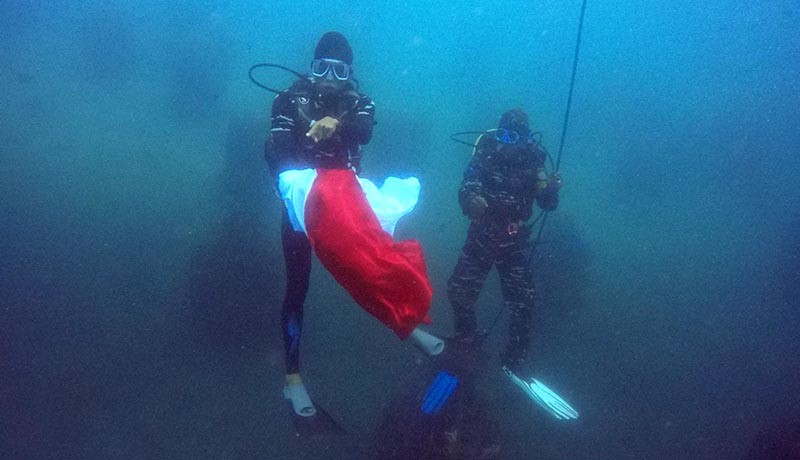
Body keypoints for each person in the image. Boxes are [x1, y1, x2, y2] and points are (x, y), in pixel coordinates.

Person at [265, 32, 442, 421]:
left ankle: (407, 323)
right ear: (311, 68)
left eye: (339, 70)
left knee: (372, 272)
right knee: (298, 288)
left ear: (350, 75)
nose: (328, 78)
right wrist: (300, 165)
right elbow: (275, 151)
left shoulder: (361, 103)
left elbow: (362, 131)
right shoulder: (288, 101)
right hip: (301, 205)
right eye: (321, 68)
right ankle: (292, 379)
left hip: (349, 208)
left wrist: (336, 123)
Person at [446, 108, 578, 419]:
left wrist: (553, 190)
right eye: (503, 135)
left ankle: (513, 361)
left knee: (524, 300)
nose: (507, 143)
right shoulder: (486, 152)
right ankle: (467, 340)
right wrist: (472, 201)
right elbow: (468, 185)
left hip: (513, 240)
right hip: (481, 235)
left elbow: (547, 204)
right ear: (497, 133)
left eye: (514, 137)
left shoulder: (535, 161)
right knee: (459, 291)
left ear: (526, 139)